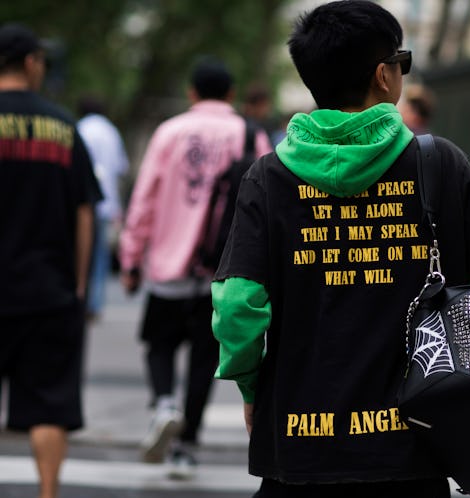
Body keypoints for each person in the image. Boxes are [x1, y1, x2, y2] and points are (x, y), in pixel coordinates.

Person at [211, 2, 470, 497]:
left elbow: (236, 308)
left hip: (298, 444)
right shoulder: (440, 164)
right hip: (416, 442)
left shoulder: (267, 178)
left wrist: (252, 387)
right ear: (383, 75)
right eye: (403, 61)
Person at [118, 55, 272, 479]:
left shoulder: (170, 132)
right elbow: (267, 200)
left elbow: (145, 197)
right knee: (205, 360)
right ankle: (186, 445)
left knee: (160, 345)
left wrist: (131, 257)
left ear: (191, 93)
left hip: (168, 266)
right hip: (221, 269)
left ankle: (164, 403)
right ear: (231, 94)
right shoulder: (251, 134)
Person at [0, 23, 101, 498]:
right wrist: (78, 285)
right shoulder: (64, 128)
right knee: (48, 409)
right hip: (48, 291)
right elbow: (85, 212)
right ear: (32, 62)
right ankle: (47, 493)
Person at [77, 95, 130, 322]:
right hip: (106, 204)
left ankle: (80, 297)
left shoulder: (79, 129)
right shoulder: (112, 132)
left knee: (80, 251)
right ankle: (95, 303)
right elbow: (121, 167)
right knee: (99, 256)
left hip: (82, 203)